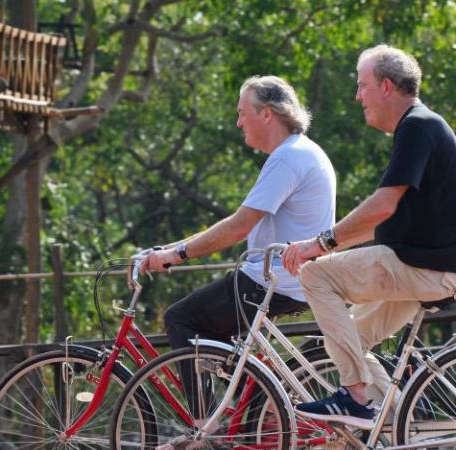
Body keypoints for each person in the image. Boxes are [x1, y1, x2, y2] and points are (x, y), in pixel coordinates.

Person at [282, 45, 456, 431]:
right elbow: (379, 221)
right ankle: (396, 436)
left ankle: (355, 397)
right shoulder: (422, 127)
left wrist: (317, 246)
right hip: (432, 270)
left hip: (427, 270)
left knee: (315, 276)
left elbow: (382, 206)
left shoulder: (417, 127)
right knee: (346, 341)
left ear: (386, 87)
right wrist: (328, 242)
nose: (358, 96)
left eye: (362, 85)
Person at [138, 75, 336, 416]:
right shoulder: (300, 151)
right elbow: (240, 223)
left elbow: (238, 226)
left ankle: (206, 428)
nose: (238, 122)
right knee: (224, 348)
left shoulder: (288, 158)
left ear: (267, 114)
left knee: (180, 319)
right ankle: (248, 417)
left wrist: (175, 255)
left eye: (243, 112)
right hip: (285, 279)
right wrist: (166, 251)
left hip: (270, 280)